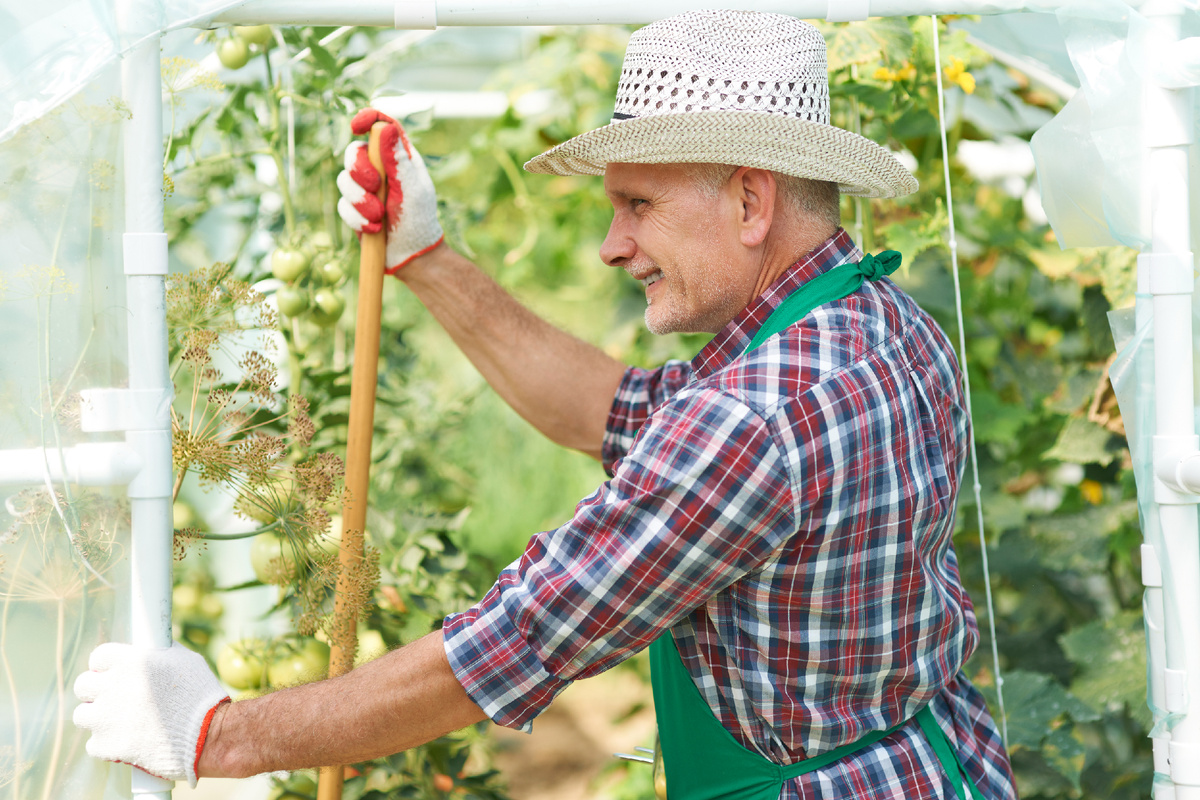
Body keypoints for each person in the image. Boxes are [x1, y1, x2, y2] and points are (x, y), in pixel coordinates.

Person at [74, 10, 1017, 799]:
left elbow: (516, 641)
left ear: (749, 202)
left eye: (637, 205)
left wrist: (219, 735)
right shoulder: (874, 321)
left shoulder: (751, 418)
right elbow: (616, 411)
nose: (612, 244)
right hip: (925, 764)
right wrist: (425, 257)